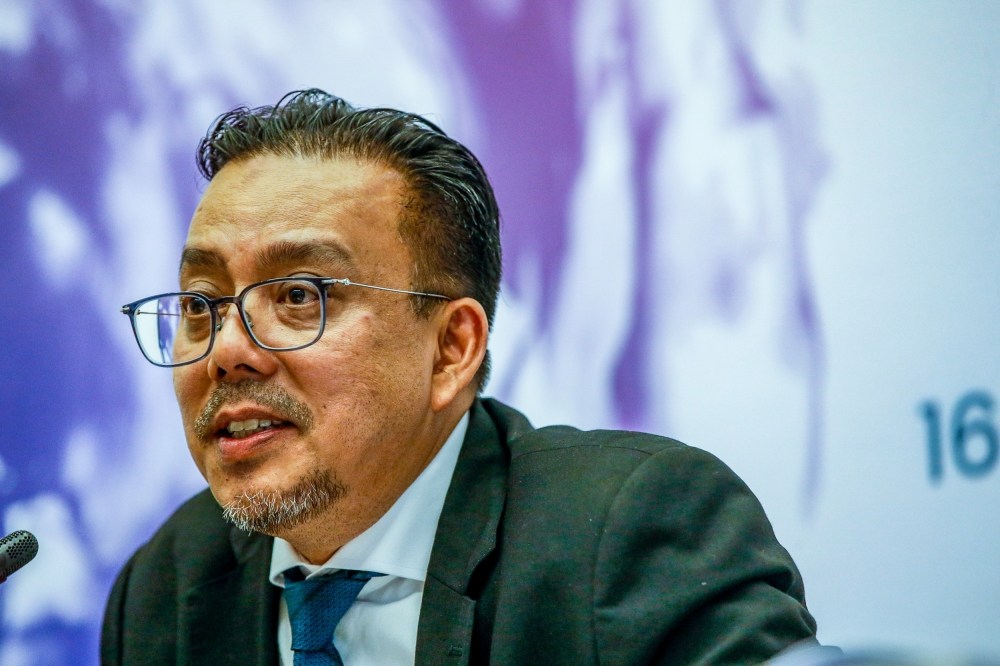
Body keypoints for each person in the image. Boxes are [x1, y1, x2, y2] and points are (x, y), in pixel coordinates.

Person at [100, 89, 818, 666]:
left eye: (297, 296)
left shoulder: (629, 532)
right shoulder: (168, 585)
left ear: (451, 348)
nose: (227, 350)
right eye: (200, 304)